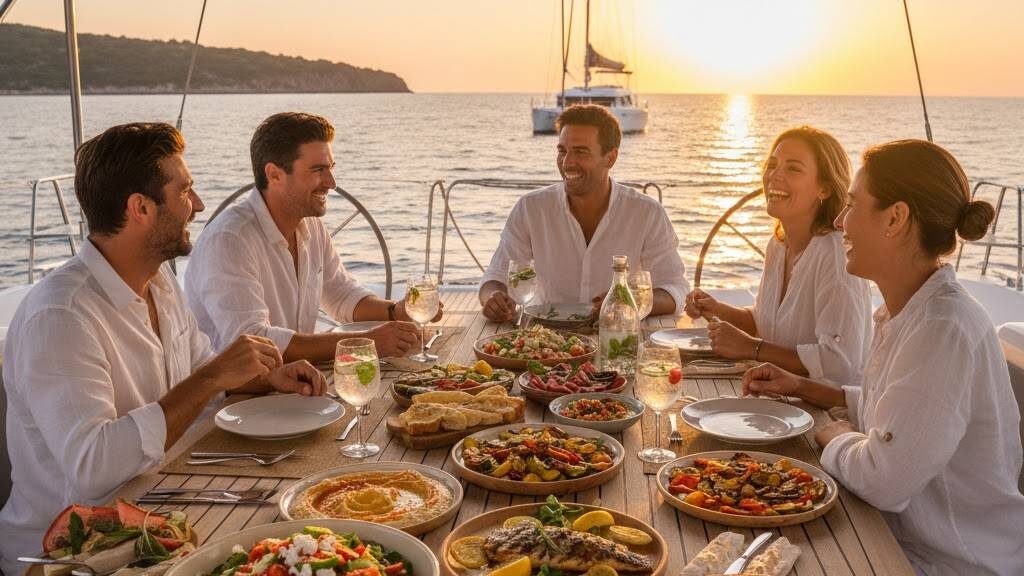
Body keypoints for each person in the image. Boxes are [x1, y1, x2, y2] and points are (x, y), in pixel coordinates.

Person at [0, 123, 327, 575]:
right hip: (67, 556)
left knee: (310, 536)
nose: (199, 205)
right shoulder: (61, 317)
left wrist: (261, 379)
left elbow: (200, 374)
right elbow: (93, 467)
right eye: (185, 191)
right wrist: (213, 378)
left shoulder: (159, 281)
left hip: (156, 512)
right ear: (140, 208)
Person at [742, 139, 1024, 576]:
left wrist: (833, 436)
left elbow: (884, 478)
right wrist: (802, 386)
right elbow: (898, 410)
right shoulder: (909, 310)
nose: (839, 220)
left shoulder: (942, 327)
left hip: (949, 562)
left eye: (852, 204)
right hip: (897, 538)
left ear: (895, 218)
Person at [185, 112, 439, 363]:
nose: (331, 182)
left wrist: (397, 311)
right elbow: (254, 343)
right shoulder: (229, 240)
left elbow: (340, 294)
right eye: (318, 169)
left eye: (331, 168)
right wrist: (368, 343)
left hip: (296, 381)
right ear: (274, 174)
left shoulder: (310, 225)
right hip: (237, 398)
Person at [685, 126, 871, 385]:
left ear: (824, 189)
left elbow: (838, 364)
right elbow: (768, 324)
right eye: (771, 165)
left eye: (792, 168)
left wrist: (751, 348)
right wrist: (718, 310)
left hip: (827, 412)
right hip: (776, 397)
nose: (774, 175)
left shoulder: (835, 254)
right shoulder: (778, 244)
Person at [479, 104, 688, 321]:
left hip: (617, 337)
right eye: (562, 151)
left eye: (580, 152)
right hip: (544, 340)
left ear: (610, 158)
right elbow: (494, 278)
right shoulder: (531, 208)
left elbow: (675, 289)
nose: (567, 162)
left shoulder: (647, 213)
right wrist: (493, 298)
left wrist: (626, 301)